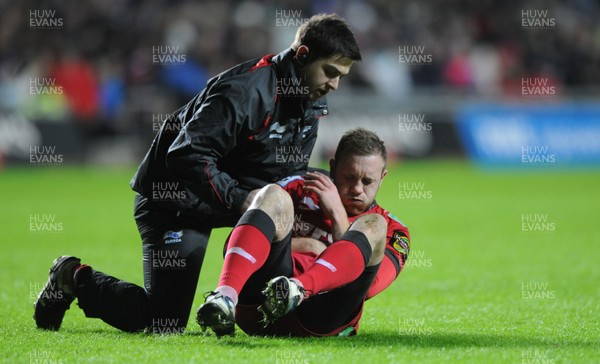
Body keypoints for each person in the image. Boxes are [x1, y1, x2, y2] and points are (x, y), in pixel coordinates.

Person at [34, 14, 361, 334]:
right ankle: (72, 277)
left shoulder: (308, 100)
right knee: (162, 321)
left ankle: (252, 308)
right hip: (176, 202)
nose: (334, 84)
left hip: (231, 201)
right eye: (330, 72)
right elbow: (187, 155)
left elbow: (288, 173)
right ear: (302, 55)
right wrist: (243, 198)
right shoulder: (245, 91)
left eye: (341, 76)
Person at [196, 128, 411, 337]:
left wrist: (338, 216)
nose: (357, 188)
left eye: (367, 181)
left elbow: (368, 288)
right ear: (333, 168)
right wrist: (308, 246)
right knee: (272, 194)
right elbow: (235, 246)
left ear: (382, 177)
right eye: (349, 177)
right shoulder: (302, 187)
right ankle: (224, 297)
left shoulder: (395, 230)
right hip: (259, 303)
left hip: (320, 318)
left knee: (375, 224)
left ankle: (297, 289)